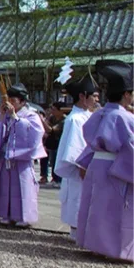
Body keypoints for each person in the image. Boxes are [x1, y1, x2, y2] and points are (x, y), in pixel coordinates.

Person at [71, 60, 133, 261]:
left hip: (97, 164)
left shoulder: (99, 114)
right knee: (114, 208)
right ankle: (113, 249)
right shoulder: (125, 118)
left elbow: (89, 141)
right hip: (116, 166)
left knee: (96, 206)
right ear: (126, 94)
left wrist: (84, 163)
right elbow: (130, 147)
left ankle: (95, 244)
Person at [0, 83, 45, 227]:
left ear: (22, 102)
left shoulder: (31, 116)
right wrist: (2, 117)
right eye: (8, 99)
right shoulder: (1, 114)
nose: (9, 103)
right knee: (5, 187)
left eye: (13, 100)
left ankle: (23, 216)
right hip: (5, 157)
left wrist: (16, 118)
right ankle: (6, 214)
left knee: (22, 187)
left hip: (21, 159)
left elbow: (35, 132)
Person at [54, 76, 99, 233]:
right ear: (82, 96)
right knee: (78, 199)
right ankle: (77, 232)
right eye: (93, 95)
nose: (96, 99)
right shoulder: (75, 119)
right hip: (80, 169)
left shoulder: (87, 115)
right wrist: (83, 167)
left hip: (90, 167)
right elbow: (77, 149)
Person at [39, 103, 64, 185]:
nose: (51, 111)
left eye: (54, 109)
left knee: (54, 160)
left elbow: (50, 130)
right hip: (49, 141)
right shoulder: (51, 118)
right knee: (44, 158)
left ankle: (56, 178)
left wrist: (42, 120)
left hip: (58, 142)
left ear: (60, 111)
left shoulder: (64, 120)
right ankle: (44, 176)